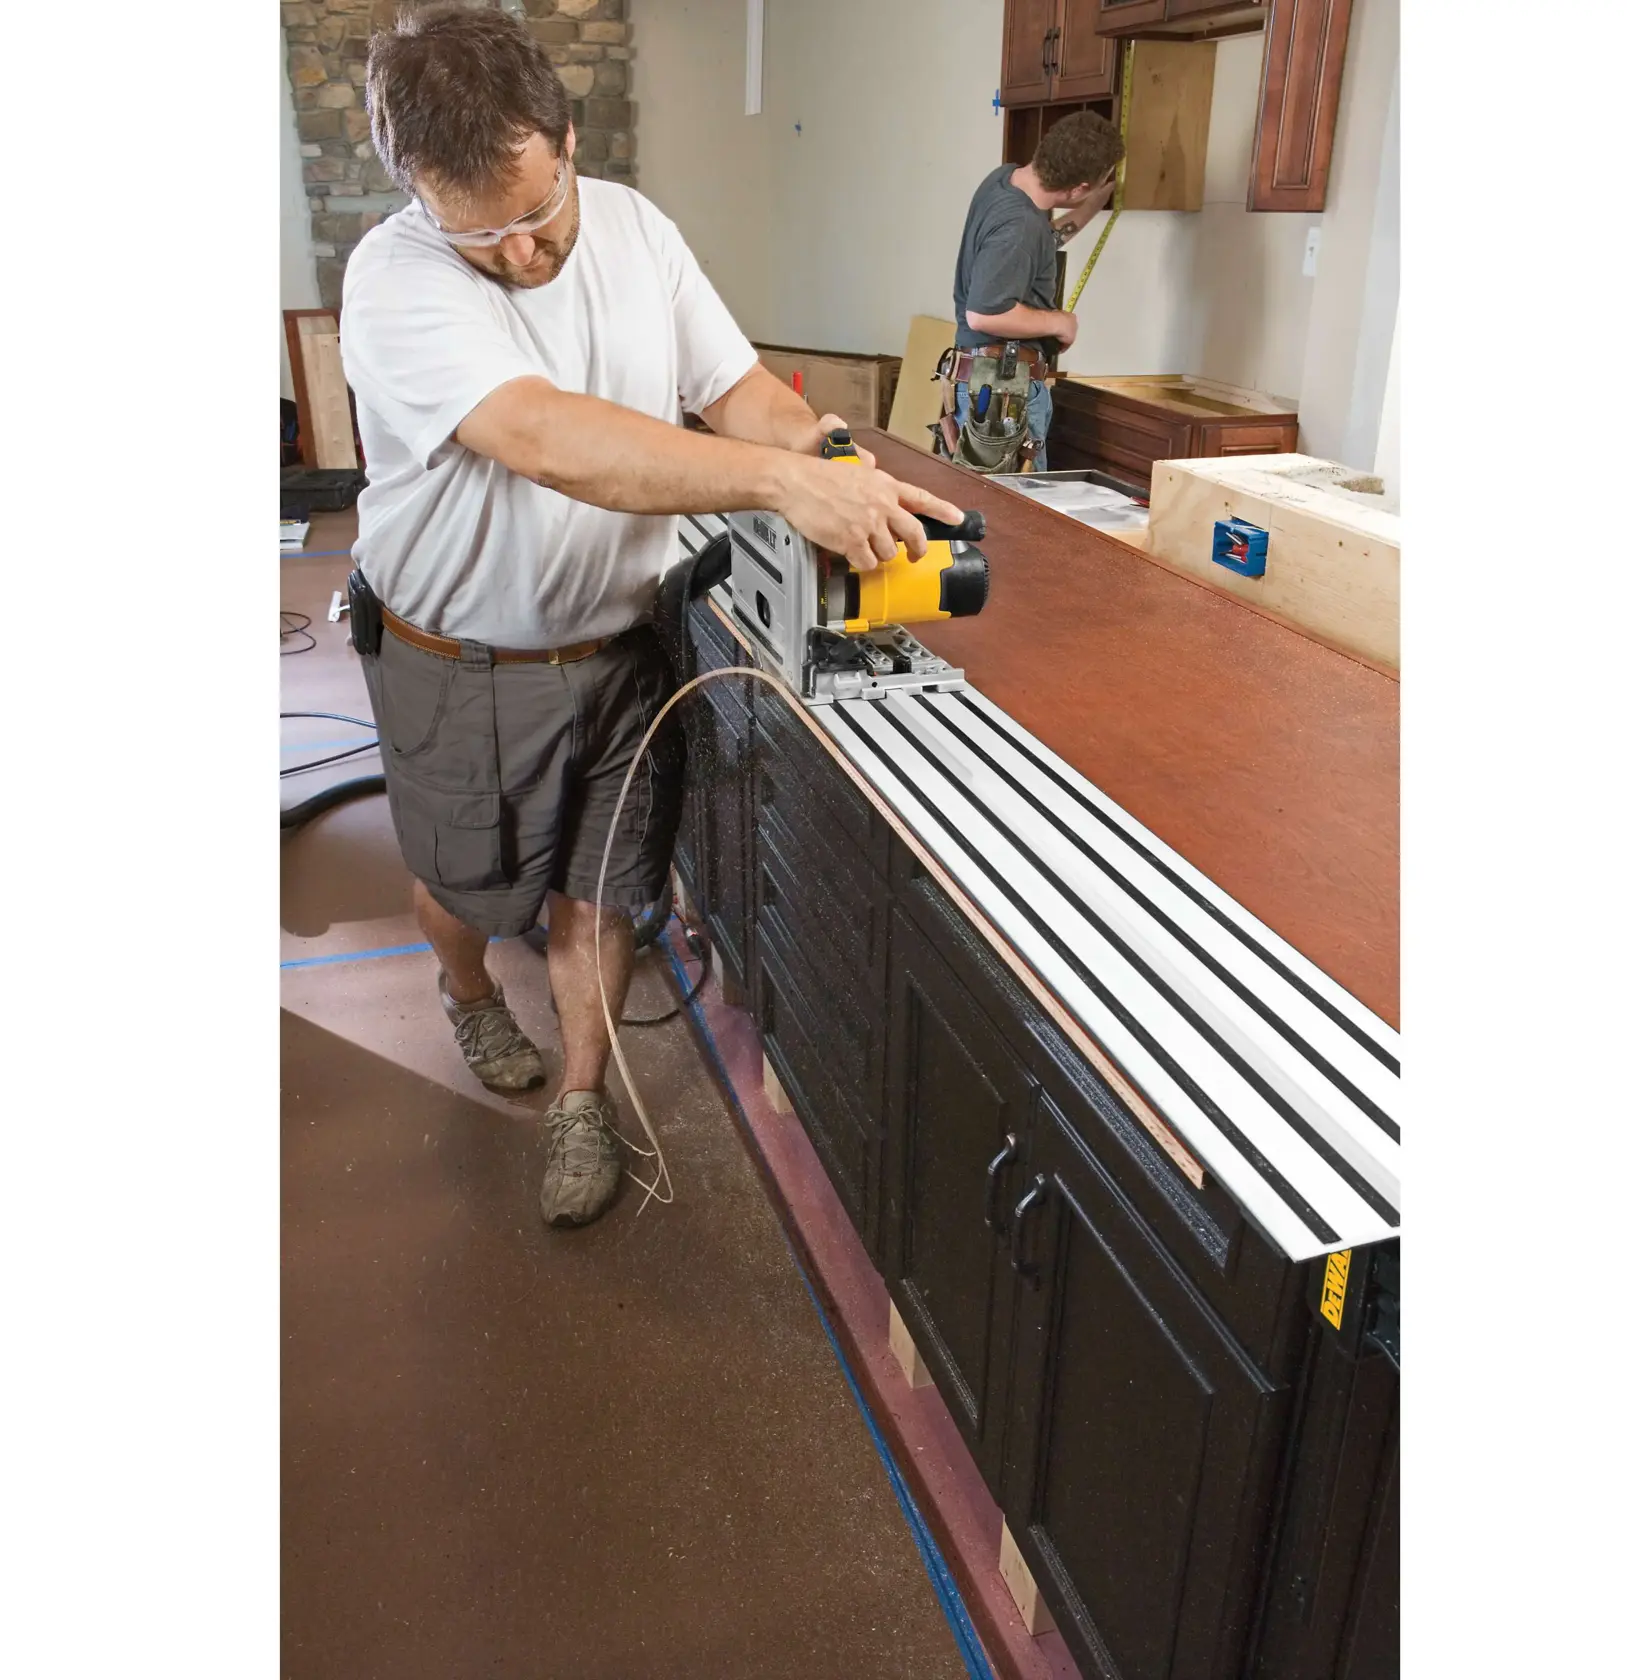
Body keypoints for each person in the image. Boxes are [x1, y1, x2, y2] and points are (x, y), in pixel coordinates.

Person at [339, 5, 962, 1230]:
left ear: (566, 137)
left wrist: (831, 456)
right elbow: (541, 436)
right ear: (421, 199)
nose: (520, 254)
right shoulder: (392, 275)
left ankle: (583, 1096)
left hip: (619, 641)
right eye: (482, 238)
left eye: (536, 213)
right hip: (456, 655)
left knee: (601, 884)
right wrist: (783, 485)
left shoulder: (637, 228)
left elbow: (731, 391)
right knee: (460, 888)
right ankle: (468, 991)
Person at [946, 111, 1122, 471]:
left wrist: (1092, 202)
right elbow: (985, 312)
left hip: (989, 380)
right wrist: (1059, 322)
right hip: (1002, 391)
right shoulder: (1019, 226)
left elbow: (1041, 240)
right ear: (1077, 187)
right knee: (1012, 515)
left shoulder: (1006, 181)